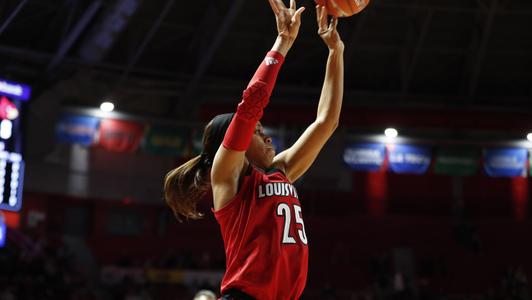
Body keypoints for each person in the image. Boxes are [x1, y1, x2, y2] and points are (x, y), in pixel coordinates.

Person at [164, 0, 344, 298]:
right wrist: (283, 42)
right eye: (259, 133)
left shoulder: (281, 171)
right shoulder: (228, 177)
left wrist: (336, 52)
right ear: (235, 145)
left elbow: (327, 122)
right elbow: (250, 108)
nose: (268, 137)